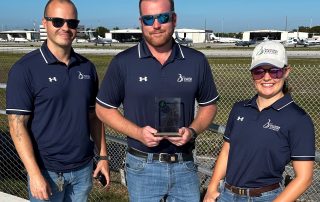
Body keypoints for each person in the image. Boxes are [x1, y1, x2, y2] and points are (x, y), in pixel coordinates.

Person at [95, 0, 219, 201]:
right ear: (140, 22)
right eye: (148, 19)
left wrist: (192, 131)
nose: (156, 25)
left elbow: (209, 106)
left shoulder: (196, 60)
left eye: (162, 17)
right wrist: (138, 133)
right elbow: (103, 109)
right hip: (142, 165)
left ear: (174, 18)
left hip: (184, 165)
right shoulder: (123, 62)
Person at [6, 0, 110, 201]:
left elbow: (94, 117)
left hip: (83, 170)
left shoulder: (87, 68)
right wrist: (34, 174)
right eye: (58, 21)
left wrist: (103, 157)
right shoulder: (25, 69)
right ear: (44, 23)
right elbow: (16, 126)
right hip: (46, 171)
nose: (65, 28)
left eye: (71, 23)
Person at [204, 41, 315, 202]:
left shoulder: (298, 119)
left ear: (286, 71)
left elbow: (304, 178)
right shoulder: (239, 108)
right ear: (252, 74)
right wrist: (212, 187)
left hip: (266, 197)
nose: (267, 78)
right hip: (226, 194)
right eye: (259, 72)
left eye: (275, 71)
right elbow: (227, 151)